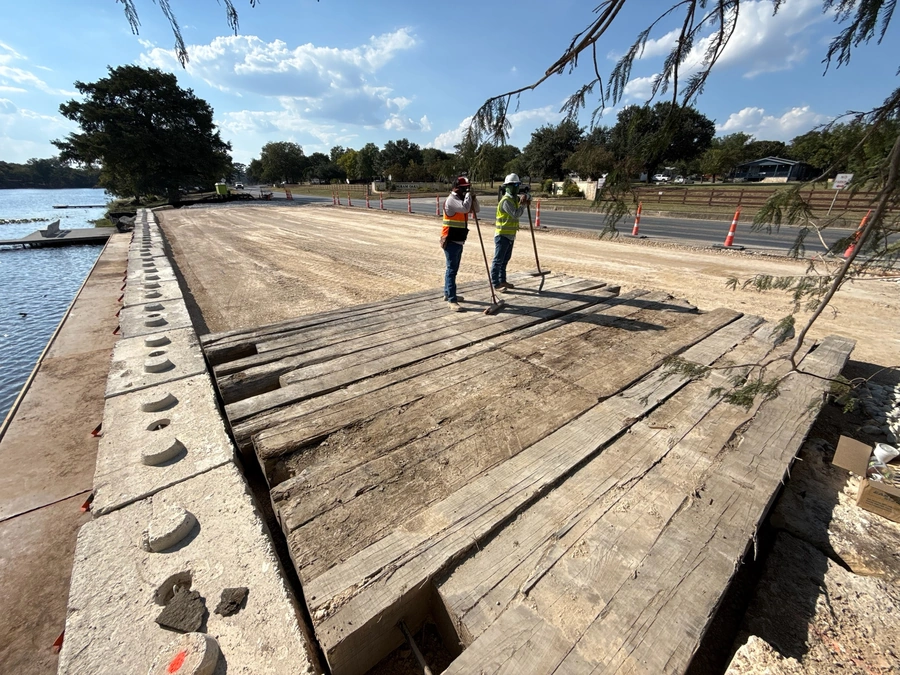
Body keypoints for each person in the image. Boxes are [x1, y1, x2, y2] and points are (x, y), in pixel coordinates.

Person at [441, 176, 479, 311]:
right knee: (452, 270)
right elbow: (464, 209)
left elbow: (476, 210)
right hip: (450, 240)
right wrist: (468, 196)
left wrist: (473, 198)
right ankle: (452, 300)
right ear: (456, 188)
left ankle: (448, 293)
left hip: (458, 239)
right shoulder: (452, 200)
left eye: (467, 188)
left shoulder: (461, 199)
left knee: (452, 269)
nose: (466, 191)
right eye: (464, 188)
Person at [491, 173, 530, 291]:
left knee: (505, 260)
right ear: (507, 186)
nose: (517, 187)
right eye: (514, 185)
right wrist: (523, 204)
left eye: (518, 185)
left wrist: (527, 196)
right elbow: (515, 214)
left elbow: (529, 197)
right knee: (498, 260)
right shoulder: (506, 201)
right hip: (502, 235)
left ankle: (502, 280)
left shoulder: (514, 199)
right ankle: (496, 283)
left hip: (510, 235)